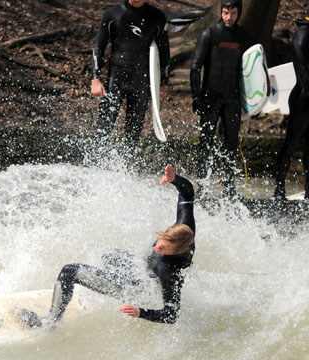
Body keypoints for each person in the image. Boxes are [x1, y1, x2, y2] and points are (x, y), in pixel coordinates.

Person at [21, 164, 195, 327]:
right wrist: (175, 179)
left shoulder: (169, 273)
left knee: (70, 271)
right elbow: (188, 193)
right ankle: (96, 285)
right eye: (159, 241)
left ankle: (50, 322)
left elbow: (172, 315)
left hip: (138, 290)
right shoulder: (185, 228)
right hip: (141, 270)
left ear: (179, 251)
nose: (157, 247)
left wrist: (140, 312)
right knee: (107, 255)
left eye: (163, 249)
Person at [190, 0, 254, 198]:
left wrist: (252, 102)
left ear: (239, 13)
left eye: (233, 13)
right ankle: (201, 186)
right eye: (225, 13)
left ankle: (229, 187)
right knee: (205, 142)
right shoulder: (210, 34)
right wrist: (196, 97)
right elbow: (195, 68)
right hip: (211, 96)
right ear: (221, 12)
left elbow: (252, 70)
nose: (229, 18)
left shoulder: (244, 37)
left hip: (232, 99)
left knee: (231, 143)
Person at [92, 0, 170, 149]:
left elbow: (164, 52)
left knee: (133, 134)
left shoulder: (157, 17)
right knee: (103, 128)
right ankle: (94, 164)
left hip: (141, 82)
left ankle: (127, 168)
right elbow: (98, 48)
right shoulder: (112, 14)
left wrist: (164, 82)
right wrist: (95, 78)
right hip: (116, 79)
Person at [274, 17, 309, 201]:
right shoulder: (302, 36)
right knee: (291, 143)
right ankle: (279, 188)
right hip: (302, 98)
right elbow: (303, 71)